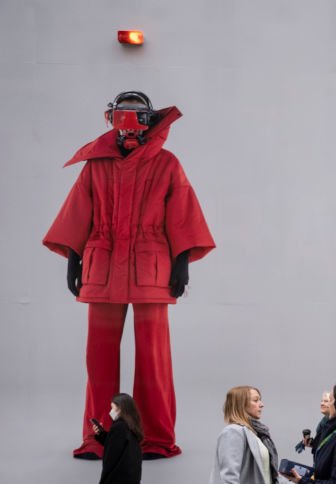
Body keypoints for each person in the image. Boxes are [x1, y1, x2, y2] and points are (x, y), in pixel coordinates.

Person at [42, 91, 215, 460]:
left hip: (151, 266)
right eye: (123, 114)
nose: (129, 122)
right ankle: (98, 436)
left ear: (150, 120)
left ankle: (156, 437)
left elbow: (182, 210)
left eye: (137, 115)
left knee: (154, 358)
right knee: (98, 358)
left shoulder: (167, 163)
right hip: (102, 266)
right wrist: (74, 258)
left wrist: (181, 260)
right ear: (111, 118)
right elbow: (79, 210)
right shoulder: (97, 164)